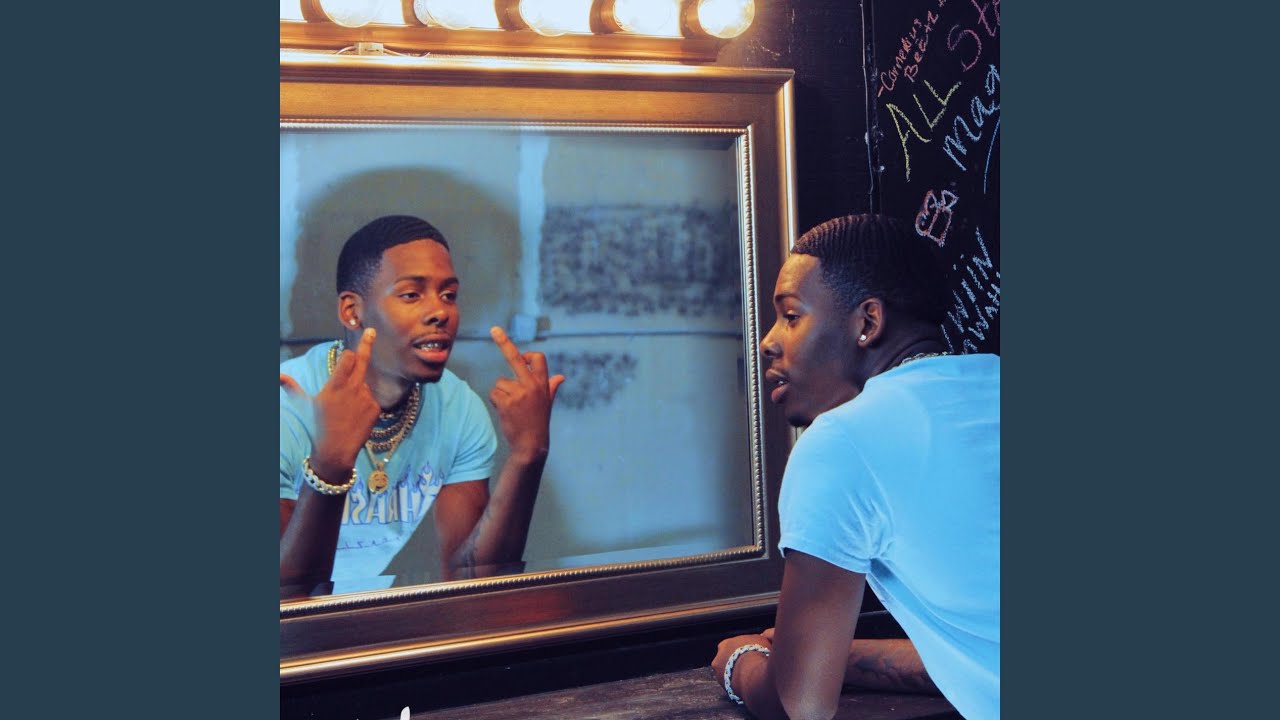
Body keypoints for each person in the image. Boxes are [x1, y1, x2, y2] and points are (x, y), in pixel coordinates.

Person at [711, 214, 999, 719]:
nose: (768, 341)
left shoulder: (842, 441)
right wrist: (840, 656)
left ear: (868, 323)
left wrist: (738, 661)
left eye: (791, 315)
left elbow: (800, 706)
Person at [279, 214, 564, 591]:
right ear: (352, 311)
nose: (440, 312)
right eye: (411, 294)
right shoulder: (286, 405)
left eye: (449, 295)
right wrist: (329, 466)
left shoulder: (459, 408)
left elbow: (474, 581)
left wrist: (528, 455)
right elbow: (287, 596)